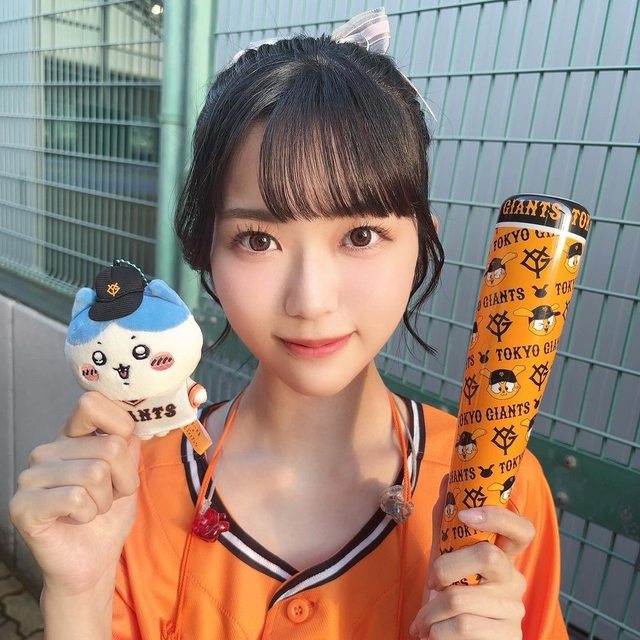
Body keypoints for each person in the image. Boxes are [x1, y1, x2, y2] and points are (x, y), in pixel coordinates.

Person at [9, 9, 569, 640]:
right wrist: (77, 596)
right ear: (205, 251)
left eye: (361, 235)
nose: (311, 300)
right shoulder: (124, 488)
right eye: (258, 239)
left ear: (421, 245)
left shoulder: (499, 491)